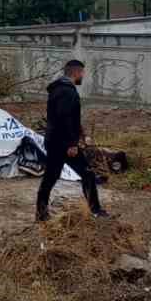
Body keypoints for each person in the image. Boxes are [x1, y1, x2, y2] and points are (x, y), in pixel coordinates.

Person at [35, 58, 107, 221]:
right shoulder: (67, 91)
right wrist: (72, 144)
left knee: (51, 177)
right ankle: (96, 211)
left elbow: (71, 118)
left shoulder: (58, 89)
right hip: (63, 144)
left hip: (55, 142)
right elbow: (64, 119)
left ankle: (41, 214)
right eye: (82, 73)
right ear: (76, 72)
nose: (83, 76)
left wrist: (83, 135)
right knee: (87, 173)